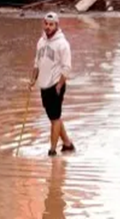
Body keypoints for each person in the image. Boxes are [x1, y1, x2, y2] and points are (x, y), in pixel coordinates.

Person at [29, 12, 75, 157]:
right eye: (46, 24)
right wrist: (32, 80)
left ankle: (52, 151)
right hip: (43, 85)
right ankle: (67, 144)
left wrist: (60, 85)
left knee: (55, 118)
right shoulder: (40, 42)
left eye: (51, 24)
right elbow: (37, 63)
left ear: (56, 25)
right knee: (54, 117)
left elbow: (67, 67)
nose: (48, 27)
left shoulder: (62, 44)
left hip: (56, 85)